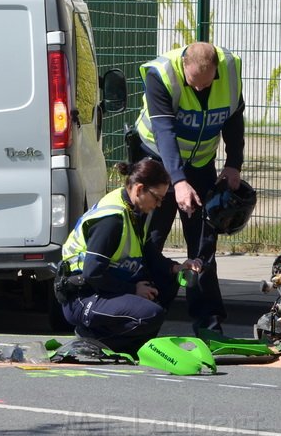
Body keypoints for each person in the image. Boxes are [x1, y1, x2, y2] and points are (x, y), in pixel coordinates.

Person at [134, 41, 246, 335]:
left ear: (217, 72)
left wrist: (234, 163)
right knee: (151, 240)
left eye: (206, 86)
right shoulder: (161, 74)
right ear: (185, 67)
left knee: (203, 245)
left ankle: (209, 324)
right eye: (194, 85)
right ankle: (144, 318)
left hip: (200, 163)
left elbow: (234, 119)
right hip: (158, 162)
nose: (200, 91)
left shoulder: (231, 70)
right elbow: (164, 132)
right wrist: (178, 181)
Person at [56, 159, 197, 354]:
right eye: (157, 198)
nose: (158, 205)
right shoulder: (112, 219)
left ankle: (128, 344)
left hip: (105, 288)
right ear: (139, 189)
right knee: (150, 314)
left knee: (167, 282)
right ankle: (90, 339)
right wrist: (133, 289)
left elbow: (148, 252)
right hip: (82, 296)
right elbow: (92, 273)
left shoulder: (133, 209)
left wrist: (176, 268)